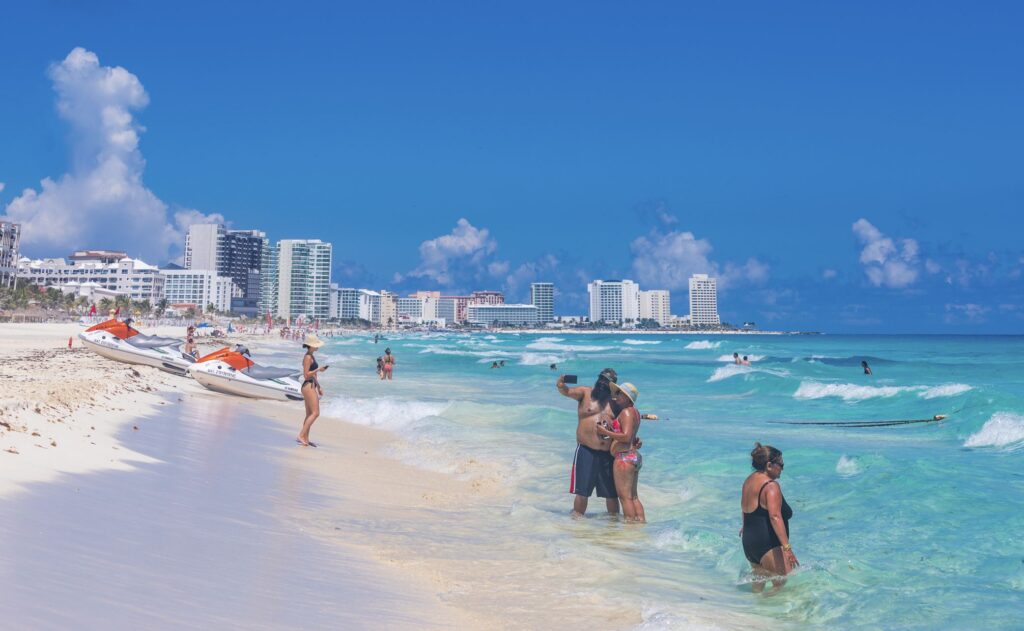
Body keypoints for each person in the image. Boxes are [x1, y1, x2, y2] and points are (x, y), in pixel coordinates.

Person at [556, 368, 620, 517]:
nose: (603, 383)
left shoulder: (615, 403)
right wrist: (560, 385)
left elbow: (627, 419)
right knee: (582, 492)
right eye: (602, 379)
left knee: (611, 494)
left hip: (607, 454)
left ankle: (614, 529)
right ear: (598, 379)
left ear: (612, 385)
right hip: (586, 451)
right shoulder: (585, 393)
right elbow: (566, 391)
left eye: (607, 381)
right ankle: (577, 524)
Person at [740, 443, 797, 593]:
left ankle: (752, 614)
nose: (782, 468)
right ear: (769, 465)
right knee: (781, 584)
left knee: (758, 586)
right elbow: (775, 517)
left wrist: (744, 527)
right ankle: (768, 613)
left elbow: (744, 508)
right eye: (781, 464)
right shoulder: (771, 486)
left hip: (749, 542)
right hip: (767, 544)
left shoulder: (749, 480)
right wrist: (787, 548)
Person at [595, 382, 645, 522]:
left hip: (624, 457)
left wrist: (604, 432)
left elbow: (627, 436)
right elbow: (631, 436)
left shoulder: (626, 412)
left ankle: (629, 526)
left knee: (625, 497)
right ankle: (640, 524)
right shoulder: (635, 412)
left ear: (628, 398)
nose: (616, 397)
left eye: (619, 394)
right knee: (633, 496)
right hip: (632, 456)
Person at [297, 334, 328, 447]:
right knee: (316, 413)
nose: (317, 347)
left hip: (312, 385)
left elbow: (313, 374)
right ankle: (301, 435)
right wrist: (319, 369)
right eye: (316, 345)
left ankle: (306, 438)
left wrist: (319, 386)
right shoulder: (307, 357)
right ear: (311, 346)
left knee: (309, 414)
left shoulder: (312, 356)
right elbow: (306, 375)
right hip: (308, 385)